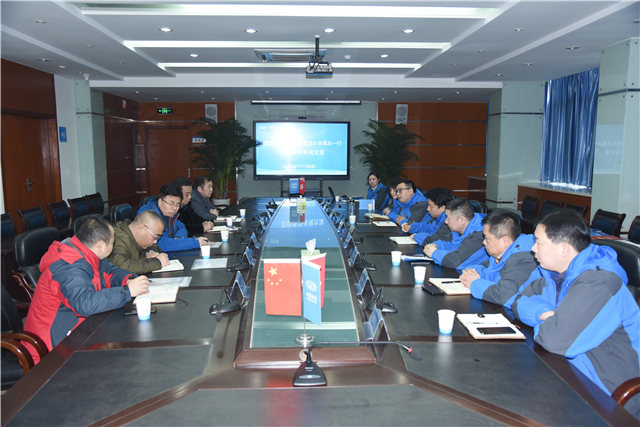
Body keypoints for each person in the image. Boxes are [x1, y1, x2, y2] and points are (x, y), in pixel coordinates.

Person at [511, 209, 639, 420]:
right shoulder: (554, 276)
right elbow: (519, 301)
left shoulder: (599, 283)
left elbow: (553, 340)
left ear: (564, 249)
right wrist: (545, 314)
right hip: (568, 373)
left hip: (607, 395)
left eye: (538, 242)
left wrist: (552, 324)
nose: (533, 248)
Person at [24, 216, 150, 361]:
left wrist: (128, 280)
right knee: (124, 357)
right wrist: (127, 291)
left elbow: (110, 272)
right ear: (100, 246)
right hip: (50, 350)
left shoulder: (88, 252)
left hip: (80, 331)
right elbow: (84, 303)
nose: (113, 245)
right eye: (112, 242)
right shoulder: (68, 266)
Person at [459, 210, 538, 308]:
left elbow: (502, 295)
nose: (484, 242)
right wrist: (472, 272)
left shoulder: (524, 260)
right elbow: (487, 267)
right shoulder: (501, 253)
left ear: (505, 241)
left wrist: (474, 283)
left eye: (487, 239)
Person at [137, 183, 208, 251]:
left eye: (177, 205)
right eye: (171, 204)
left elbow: (182, 227)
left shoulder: (169, 214)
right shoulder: (147, 215)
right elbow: (160, 244)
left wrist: (178, 237)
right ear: (160, 201)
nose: (174, 208)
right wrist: (195, 242)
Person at [423, 198, 489, 269]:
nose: (446, 222)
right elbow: (447, 241)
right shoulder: (460, 228)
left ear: (462, 220)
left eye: (448, 218)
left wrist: (434, 253)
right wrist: (436, 245)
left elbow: (456, 261)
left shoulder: (480, 235)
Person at [109, 210, 170, 274]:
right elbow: (123, 266)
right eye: (155, 237)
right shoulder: (116, 238)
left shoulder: (134, 232)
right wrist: (157, 262)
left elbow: (154, 246)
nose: (155, 242)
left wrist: (150, 251)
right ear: (141, 228)